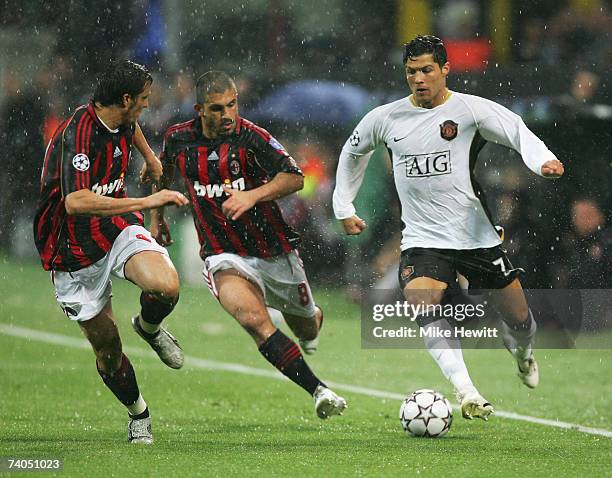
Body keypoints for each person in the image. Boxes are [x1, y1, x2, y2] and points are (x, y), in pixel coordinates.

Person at [333, 36, 564, 421]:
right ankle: (467, 391)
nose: (419, 79)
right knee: (423, 304)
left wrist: (543, 160)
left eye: (426, 70)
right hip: (423, 239)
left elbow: (516, 130)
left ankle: (522, 354)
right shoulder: (385, 118)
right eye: (411, 72)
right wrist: (343, 204)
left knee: (520, 321)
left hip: (476, 237)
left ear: (445, 69)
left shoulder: (470, 110)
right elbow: (352, 152)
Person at [153, 71, 347, 419]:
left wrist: (251, 196)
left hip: (272, 250)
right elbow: (162, 172)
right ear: (199, 109)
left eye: (232, 105)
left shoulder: (253, 137)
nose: (227, 115)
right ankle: (319, 391)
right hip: (221, 253)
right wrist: (158, 218)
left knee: (306, 325)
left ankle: (312, 318)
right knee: (255, 321)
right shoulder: (178, 139)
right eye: (217, 108)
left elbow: (294, 177)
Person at [33, 60, 190, 444]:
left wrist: (150, 156)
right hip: (71, 249)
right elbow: (76, 201)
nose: (147, 106)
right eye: (144, 100)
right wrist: (148, 198)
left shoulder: (119, 118)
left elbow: (130, 126)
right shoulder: (78, 136)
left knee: (166, 287)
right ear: (124, 99)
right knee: (108, 349)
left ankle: (149, 328)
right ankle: (139, 413)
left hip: (114, 228)